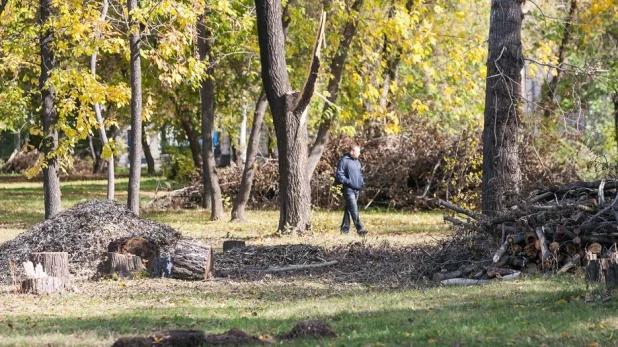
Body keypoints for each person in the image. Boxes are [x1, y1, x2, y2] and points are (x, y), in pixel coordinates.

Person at [335, 144, 367, 236]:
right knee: (354, 209)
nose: (359, 154)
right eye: (358, 152)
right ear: (352, 151)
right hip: (348, 189)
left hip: (357, 189)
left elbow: (360, 174)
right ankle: (360, 229)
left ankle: (344, 230)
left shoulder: (357, 162)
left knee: (349, 209)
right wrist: (348, 182)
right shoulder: (344, 161)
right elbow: (339, 174)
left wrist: (361, 183)